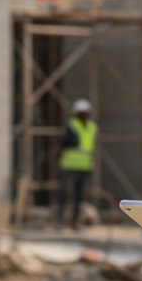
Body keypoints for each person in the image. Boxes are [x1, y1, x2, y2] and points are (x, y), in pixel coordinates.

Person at [57, 98, 96, 231]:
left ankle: (75, 223)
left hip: (85, 167)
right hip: (69, 166)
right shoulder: (71, 125)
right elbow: (63, 143)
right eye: (82, 113)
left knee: (79, 197)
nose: (84, 116)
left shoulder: (92, 127)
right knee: (64, 194)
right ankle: (59, 223)